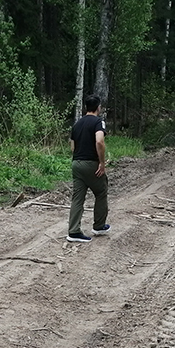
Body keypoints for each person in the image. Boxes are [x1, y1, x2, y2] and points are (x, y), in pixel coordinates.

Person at [68, 94, 110, 242]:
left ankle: (73, 231)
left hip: (76, 163)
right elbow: (99, 141)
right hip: (91, 163)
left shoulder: (77, 124)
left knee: (77, 198)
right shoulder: (99, 122)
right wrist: (102, 163)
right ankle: (99, 225)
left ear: (86, 107)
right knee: (101, 191)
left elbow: (73, 147)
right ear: (98, 107)